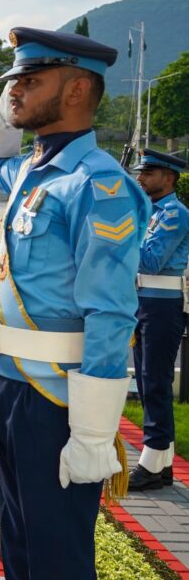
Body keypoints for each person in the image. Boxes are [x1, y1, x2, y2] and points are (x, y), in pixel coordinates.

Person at [0, 26, 151, 579]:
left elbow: (111, 312)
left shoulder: (97, 185)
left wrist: (95, 433)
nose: (15, 93)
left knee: (57, 557)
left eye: (29, 81)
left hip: (54, 397)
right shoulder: (35, 169)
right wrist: (6, 110)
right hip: (7, 381)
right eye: (13, 84)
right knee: (21, 547)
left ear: (75, 91)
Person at [127, 148, 189, 490]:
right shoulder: (150, 211)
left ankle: (151, 465)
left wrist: (122, 236)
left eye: (148, 173)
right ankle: (162, 463)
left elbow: (150, 261)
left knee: (154, 380)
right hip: (146, 303)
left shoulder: (175, 214)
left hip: (162, 305)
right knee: (151, 379)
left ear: (168, 178)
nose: (141, 178)